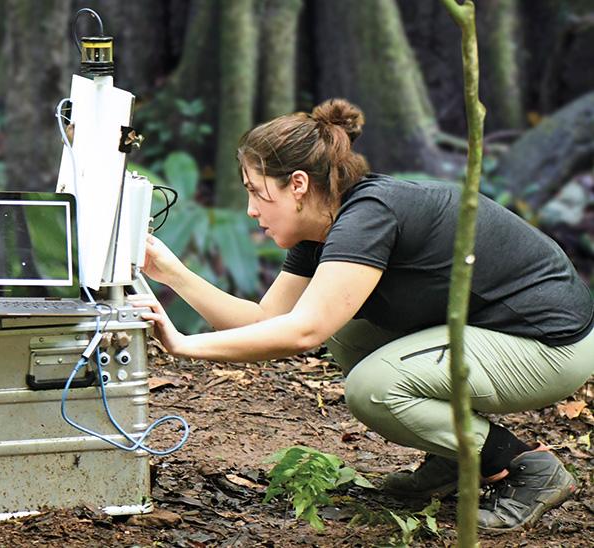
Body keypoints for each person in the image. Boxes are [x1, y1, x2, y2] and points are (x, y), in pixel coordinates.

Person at [128, 98, 594, 532]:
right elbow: (264, 321)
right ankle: (452, 456)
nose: (250, 210)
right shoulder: (325, 227)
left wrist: (184, 345)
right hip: (499, 334)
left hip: (551, 345)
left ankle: (524, 467)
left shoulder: (367, 217)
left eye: (256, 192)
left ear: (297, 185)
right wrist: (172, 272)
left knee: (375, 388)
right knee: (350, 335)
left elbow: (302, 332)